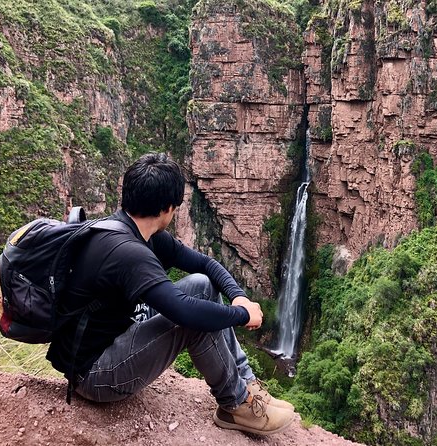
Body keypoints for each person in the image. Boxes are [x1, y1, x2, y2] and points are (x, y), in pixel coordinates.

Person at [46, 152, 295, 435]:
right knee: (194, 320)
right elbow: (182, 311)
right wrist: (240, 315)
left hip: (114, 338)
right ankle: (235, 405)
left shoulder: (134, 231)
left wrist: (239, 296)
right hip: (94, 374)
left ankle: (246, 384)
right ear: (167, 208)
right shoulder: (128, 253)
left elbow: (205, 264)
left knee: (201, 284)